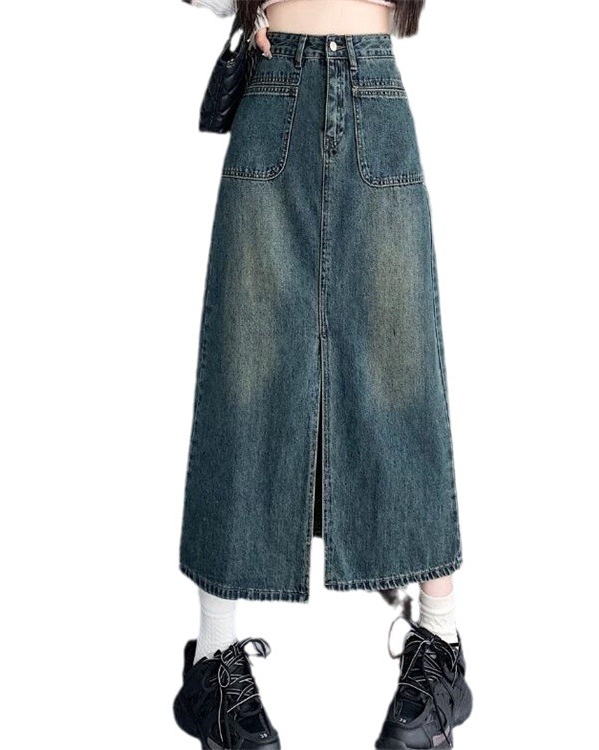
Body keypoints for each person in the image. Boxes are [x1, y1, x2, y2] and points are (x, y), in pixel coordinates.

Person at [173, 2, 473, 748]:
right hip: (273, 94)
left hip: (375, 94)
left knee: (402, 377)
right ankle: (212, 663)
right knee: (244, 376)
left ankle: (440, 646)